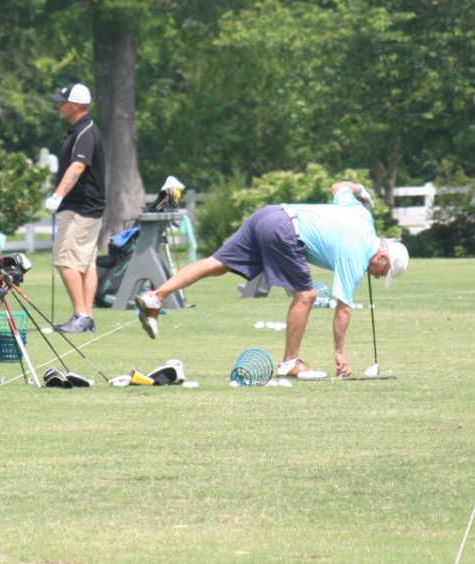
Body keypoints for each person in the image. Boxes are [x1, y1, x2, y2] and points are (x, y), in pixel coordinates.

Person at [133, 181, 409, 378]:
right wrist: (339, 353)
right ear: (382, 257)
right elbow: (344, 308)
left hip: (269, 214)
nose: (378, 276)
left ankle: (155, 296)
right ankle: (290, 363)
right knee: (307, 295)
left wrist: (360, 189)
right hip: (284, 229)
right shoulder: (357, 256)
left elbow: (339, 186)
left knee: (217, 264)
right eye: (383, 272)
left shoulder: (361, 215)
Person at [43, 82, 106, 333]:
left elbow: (78, 167)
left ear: (77, 105)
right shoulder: (79, 130)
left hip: (81, 207)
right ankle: (86, 318)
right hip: (89, 207)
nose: (59, 105)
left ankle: (80, 315)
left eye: (63, 102)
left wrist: (57, 196)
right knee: (85, 263)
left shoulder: (85, 132)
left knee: (64, 260)